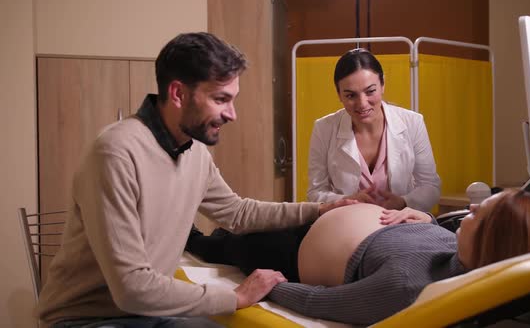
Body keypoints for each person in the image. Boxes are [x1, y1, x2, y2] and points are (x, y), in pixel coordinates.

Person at [35, 32, 354, 328]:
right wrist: (236, 297)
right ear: (178, 93)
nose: (232, 114)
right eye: (221, 99)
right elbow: (132, 289)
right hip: (85, 319)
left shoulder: (194, 151)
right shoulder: (116, 152)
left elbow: (238, 214)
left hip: (145, 313)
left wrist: (320, 210)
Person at [188, 189, 530, 325]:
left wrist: (268, 288)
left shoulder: (407, 288)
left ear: (494, 243)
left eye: (477, 214)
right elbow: (435, 236)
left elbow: (320, 301)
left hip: (294, 253)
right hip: (324, 220)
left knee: (234, 245)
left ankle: (200, 242)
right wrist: (424, 218)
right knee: (248, 223)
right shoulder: (462, 251)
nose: (467, 215)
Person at [307, 48, 441, 213]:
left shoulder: (413, 122)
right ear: (339, 94)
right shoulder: (324, 129)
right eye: (350, 96)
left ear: (383, 84)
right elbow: (315, 192)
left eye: (370, 91)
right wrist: (346, 201)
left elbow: (430, 186)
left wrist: (404, 202)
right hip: (347, 222)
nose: (362, 103)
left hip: (400, 222)